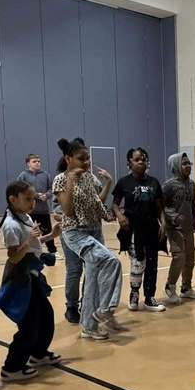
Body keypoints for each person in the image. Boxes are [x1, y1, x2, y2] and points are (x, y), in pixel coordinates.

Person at [53, 138, 123, 340]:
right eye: (81, 159)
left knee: (93, 278)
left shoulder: (90, 178)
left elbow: (96, 201)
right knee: (111, 262)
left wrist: (108, 184)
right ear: (68, 159)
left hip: (94, 229)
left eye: (88, 158)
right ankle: (104, 310)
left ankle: (89, 326)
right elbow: (68, 211)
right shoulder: (60, 179)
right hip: (75, 232)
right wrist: (71, 181)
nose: (86, 162)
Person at [0, 180, 62, 381]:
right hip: (20, 278)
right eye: (27, 199)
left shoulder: (25, 217)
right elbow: (14, 257)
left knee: (46, 315)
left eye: (33, 199)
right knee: (29, 323)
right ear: (13, 199)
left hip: (33, 274)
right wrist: (30, 239)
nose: (32, 203)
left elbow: (33, 244)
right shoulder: (11, 225)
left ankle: (38, 354)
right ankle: (11, 367)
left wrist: (51, 235)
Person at [113, 147, 165, 313]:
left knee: (152, 262)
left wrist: (163, 223)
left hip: (151, 228)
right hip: (133, 229)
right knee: (137, 262)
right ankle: (134, 294)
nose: (141, 162)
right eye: (137, 159)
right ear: (129, 163)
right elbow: (115, 204)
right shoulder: (123, 182)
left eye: (143, 159)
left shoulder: (154, 182)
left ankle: (149, 297)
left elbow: (159, 207)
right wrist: (119, 215)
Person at [162, 152, 195, 305]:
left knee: (190, 258)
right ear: (176, 166)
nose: (188, 166)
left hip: (188, 227)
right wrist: (172, 217)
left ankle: (186, 288)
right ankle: (170, 286)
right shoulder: (168, 185)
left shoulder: (192, 184)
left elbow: (192, 203)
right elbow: (160, 205)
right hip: (174, 228)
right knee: (179, 256)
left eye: (188, 163)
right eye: (184, 163)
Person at [17, 153, 56, 254]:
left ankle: (53, 251)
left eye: (39, 161)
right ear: (28, 163)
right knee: (28, 232)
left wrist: (46, 195)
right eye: (34, 161)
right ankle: (28, 251)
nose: (37, 163)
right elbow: (19, 190)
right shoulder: (23, 175)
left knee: (47, 231)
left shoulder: (45, 174)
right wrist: (36, 195)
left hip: (43, 210)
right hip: (28, 210)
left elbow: (51, 188)